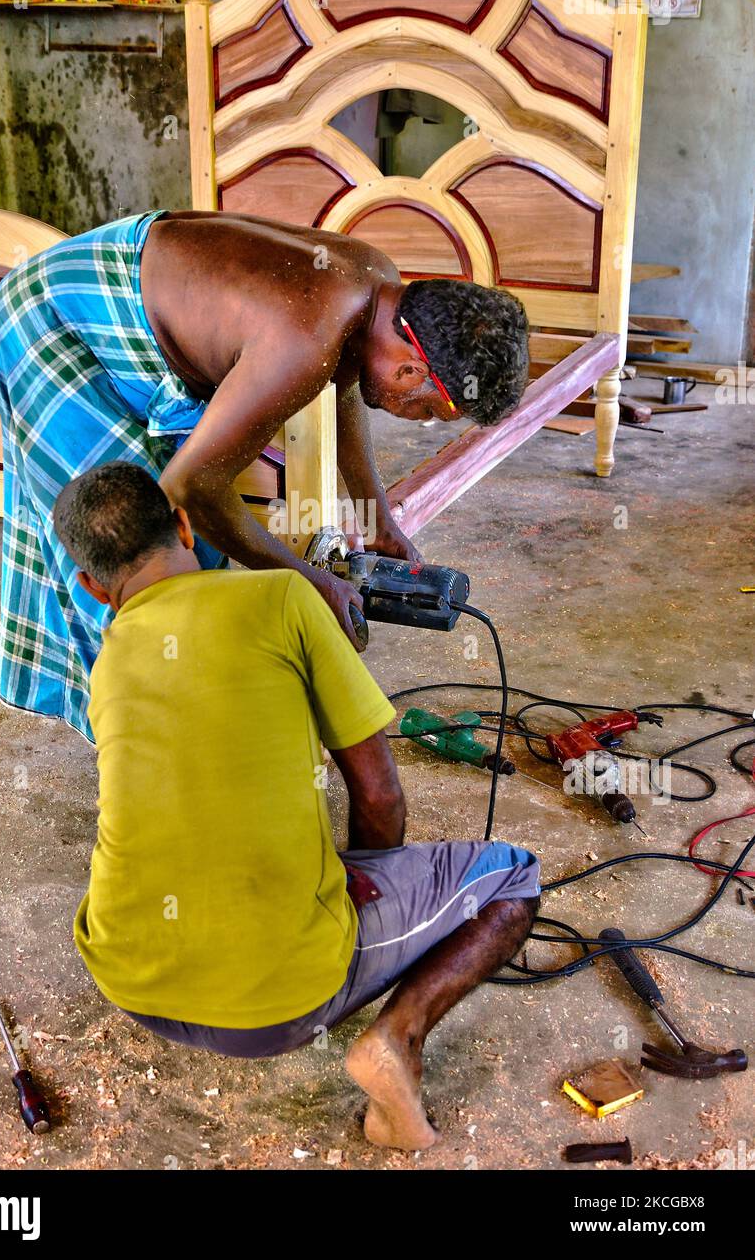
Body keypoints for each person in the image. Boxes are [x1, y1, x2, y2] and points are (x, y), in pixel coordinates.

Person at [53, 461, 540, 1151]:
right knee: (514, 878)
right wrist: (364, 880)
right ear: (186, 526)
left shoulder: (106, 663)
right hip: (280, 1009)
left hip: (131, 983)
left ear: (94, 589)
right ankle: (394, 1041)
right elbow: (378, 792)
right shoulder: (282, 597)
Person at [0, 210, 528, 738]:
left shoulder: (378, 284)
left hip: (98, 289)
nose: (419, 419)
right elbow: (191, 489)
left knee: (191, 548)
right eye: (430, 410)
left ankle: (123, 695)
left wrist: (376, 515)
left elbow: (341, 387)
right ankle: (137, 730)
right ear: (412, 367)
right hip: (48, 319)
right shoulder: (307, 338)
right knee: (132, 548)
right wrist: (306, 580)